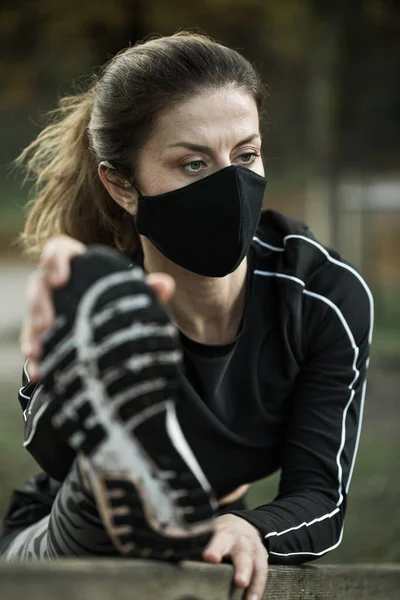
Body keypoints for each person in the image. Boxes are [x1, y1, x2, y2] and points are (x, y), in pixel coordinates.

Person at [0, 32, 373, 600]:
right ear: (122, 185)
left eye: (245, 155)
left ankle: (161, 506)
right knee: (104, 499)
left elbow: (321, 498)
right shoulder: (109, 301)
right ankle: (123, 483)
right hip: (58, 534)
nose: (231, 184)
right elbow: (54, 454)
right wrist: (41, 370)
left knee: (195, 550)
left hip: (206, 535)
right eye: (194, 163)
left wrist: (251, 526)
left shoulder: (321, 300)